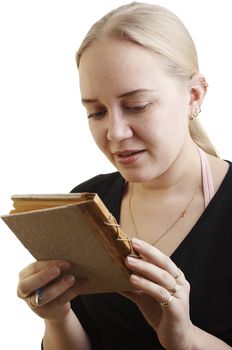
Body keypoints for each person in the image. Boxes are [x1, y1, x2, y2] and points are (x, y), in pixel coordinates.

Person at [16, 2, 232, 349]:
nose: (115, 133)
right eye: (96, 111)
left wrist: (184, 338)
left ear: (194, 95)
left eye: (136, 106)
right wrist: (57, 316)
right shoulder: (87, 203)